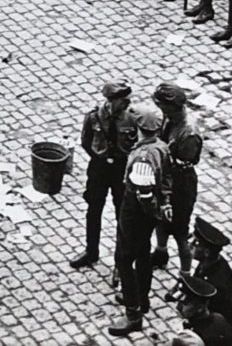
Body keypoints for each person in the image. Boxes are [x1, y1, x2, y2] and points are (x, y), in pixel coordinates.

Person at [107, 102, 172, 337]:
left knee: (125, 259)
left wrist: (150, 210)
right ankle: (142, 299)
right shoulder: (160, 146)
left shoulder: (144, 156)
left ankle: (133, 314)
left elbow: (143, 194)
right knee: (143, 254)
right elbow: (165, 181)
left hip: (135, 213)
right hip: (145, 216)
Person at [70, 80, 136, 270]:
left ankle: (120, 261)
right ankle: (91, 252)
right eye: (123, 100)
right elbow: (86, 141)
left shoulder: (132, 119)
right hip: (99, 169)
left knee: (121, 215)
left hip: (121, 170)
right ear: (111, 100)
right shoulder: (94, 116)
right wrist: (100, 159)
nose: (127, 103)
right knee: (93, 210)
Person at [152, 83, 202, 274]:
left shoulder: (189, 133)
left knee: (180, 231)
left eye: (162, 106)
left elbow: (183, 164)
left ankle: (185, 274)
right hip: (165, 177)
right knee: (160, 219)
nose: (160, 110)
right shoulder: (170, 117)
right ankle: (160, 252)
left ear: (172, 107)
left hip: (180, 185)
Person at [175, 273, 232, 346]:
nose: (178, 307)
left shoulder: (193, 339)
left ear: (200, 308)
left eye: (185, 304)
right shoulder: (218, 318)